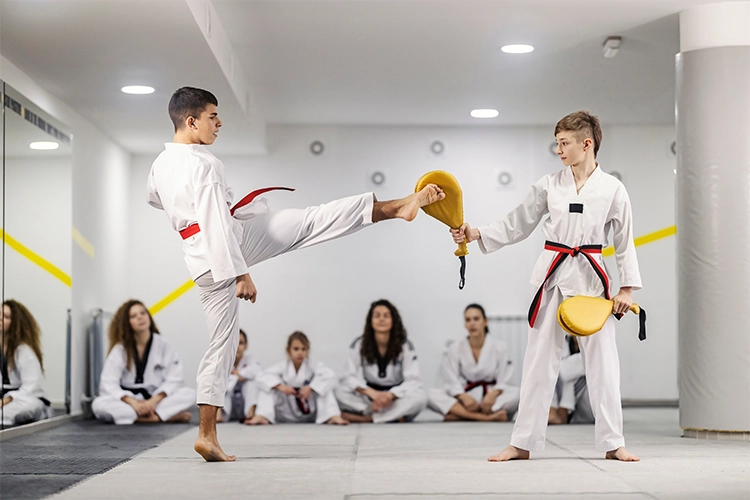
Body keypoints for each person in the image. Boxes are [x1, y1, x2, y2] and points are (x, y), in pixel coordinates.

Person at [146, 87, 444, 461]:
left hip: (200, 256)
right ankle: (395, 208)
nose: (219, 123)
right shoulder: (204, 164)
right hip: (225, 249)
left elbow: (156, 198)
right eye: (212, 116)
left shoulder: (161, 163)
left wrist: (193, 216)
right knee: (309, 222)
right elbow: (215, 224)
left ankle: (207, 434)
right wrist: (241, 273)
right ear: (191, 121)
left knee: (224, 339)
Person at [452, 111, 641, 462]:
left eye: (565, 143)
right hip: (552, 278)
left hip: (592, 283)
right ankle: (522, 443)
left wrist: (627, 290)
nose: (558, 150)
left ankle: (613, 443)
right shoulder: (548, 185)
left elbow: (625, 241)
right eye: (557, 143)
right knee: (538, 362)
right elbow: (517, 223)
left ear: (587, 144)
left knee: (603, 363)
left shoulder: (613, 188)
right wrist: (477, 232)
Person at [91, 300, 196, 425]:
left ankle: (143, 417)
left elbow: (174, 379)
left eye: (143, 313)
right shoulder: (121, 349)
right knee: (98, 404)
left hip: (155, 399)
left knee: (191, 394)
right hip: (129, 401)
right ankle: (160, 417)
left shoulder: (164, 345)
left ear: (149, 316)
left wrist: (153, 401)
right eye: (134, 316)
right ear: (127, 323)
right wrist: (133, 402)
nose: (140, 317)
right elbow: (108, 383)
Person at [335, 299, 428, 423]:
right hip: (370, 395)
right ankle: (391, 416)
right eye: (377, 315)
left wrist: (390, 395)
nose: (381, 319)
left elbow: (413, 379)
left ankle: (369, 418)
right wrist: (372, 393)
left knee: (420, 398)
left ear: (393, 320)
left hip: (395, 397)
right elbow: (347, 376)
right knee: (338, 391)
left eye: (386, 316)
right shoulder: (359, 343)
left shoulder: (404, 345)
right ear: (370, 320)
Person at [427, 303, 519, 422]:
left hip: (492, 398)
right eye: (468, 320)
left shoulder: (500, 347)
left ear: (485, 321)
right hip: (469, 397)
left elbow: (505, 379)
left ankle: (461, 415)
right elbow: (451, 380)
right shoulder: (456, 348)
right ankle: (485, 417)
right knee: (430, 395)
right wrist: (463, 396)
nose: (472, 323)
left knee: (519, 394)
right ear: (465, 324)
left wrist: (493, 394)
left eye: (476, 319)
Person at [247, 331, 347, 425]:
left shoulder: (313, 366)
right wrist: (281, 387)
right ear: (288, 350)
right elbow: (261, 376)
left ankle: (331, 416)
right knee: (267, 389)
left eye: (304, 349)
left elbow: (330, 375)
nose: (300, 352)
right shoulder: (282, 366)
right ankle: (263, 416)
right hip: (286, 411)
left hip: (309, 411)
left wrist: (311, 388)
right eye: (296, 349)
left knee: (325, 389)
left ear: (308, 350)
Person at [0, 300, 54, 427]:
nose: (0, 319)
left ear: (15, 323)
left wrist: (5, 401)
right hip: (3, 399)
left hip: (22, 399)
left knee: (28, 406)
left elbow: (31, 387)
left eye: (6, 317)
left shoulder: (23, 350)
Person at [217, 329, 261, 424]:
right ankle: (218, 414)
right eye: (234, 342)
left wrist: (238, 374)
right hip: (229, 404)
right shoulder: (222, 361)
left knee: (251, 383)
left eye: (240, 343)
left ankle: (251, 414)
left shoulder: (250, 359)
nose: (237, 346)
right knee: (219, 383)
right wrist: (238, 376)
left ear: (246, 346)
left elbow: (257, 371)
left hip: (244, 403)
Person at [548, 335, 594, 425]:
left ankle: (562, 411)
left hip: (588, 406)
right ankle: (552, 409)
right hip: (569, 405)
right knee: (549, 371)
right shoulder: (564, 341)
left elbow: (565, 371)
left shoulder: (595, 343)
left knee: (571, 376)